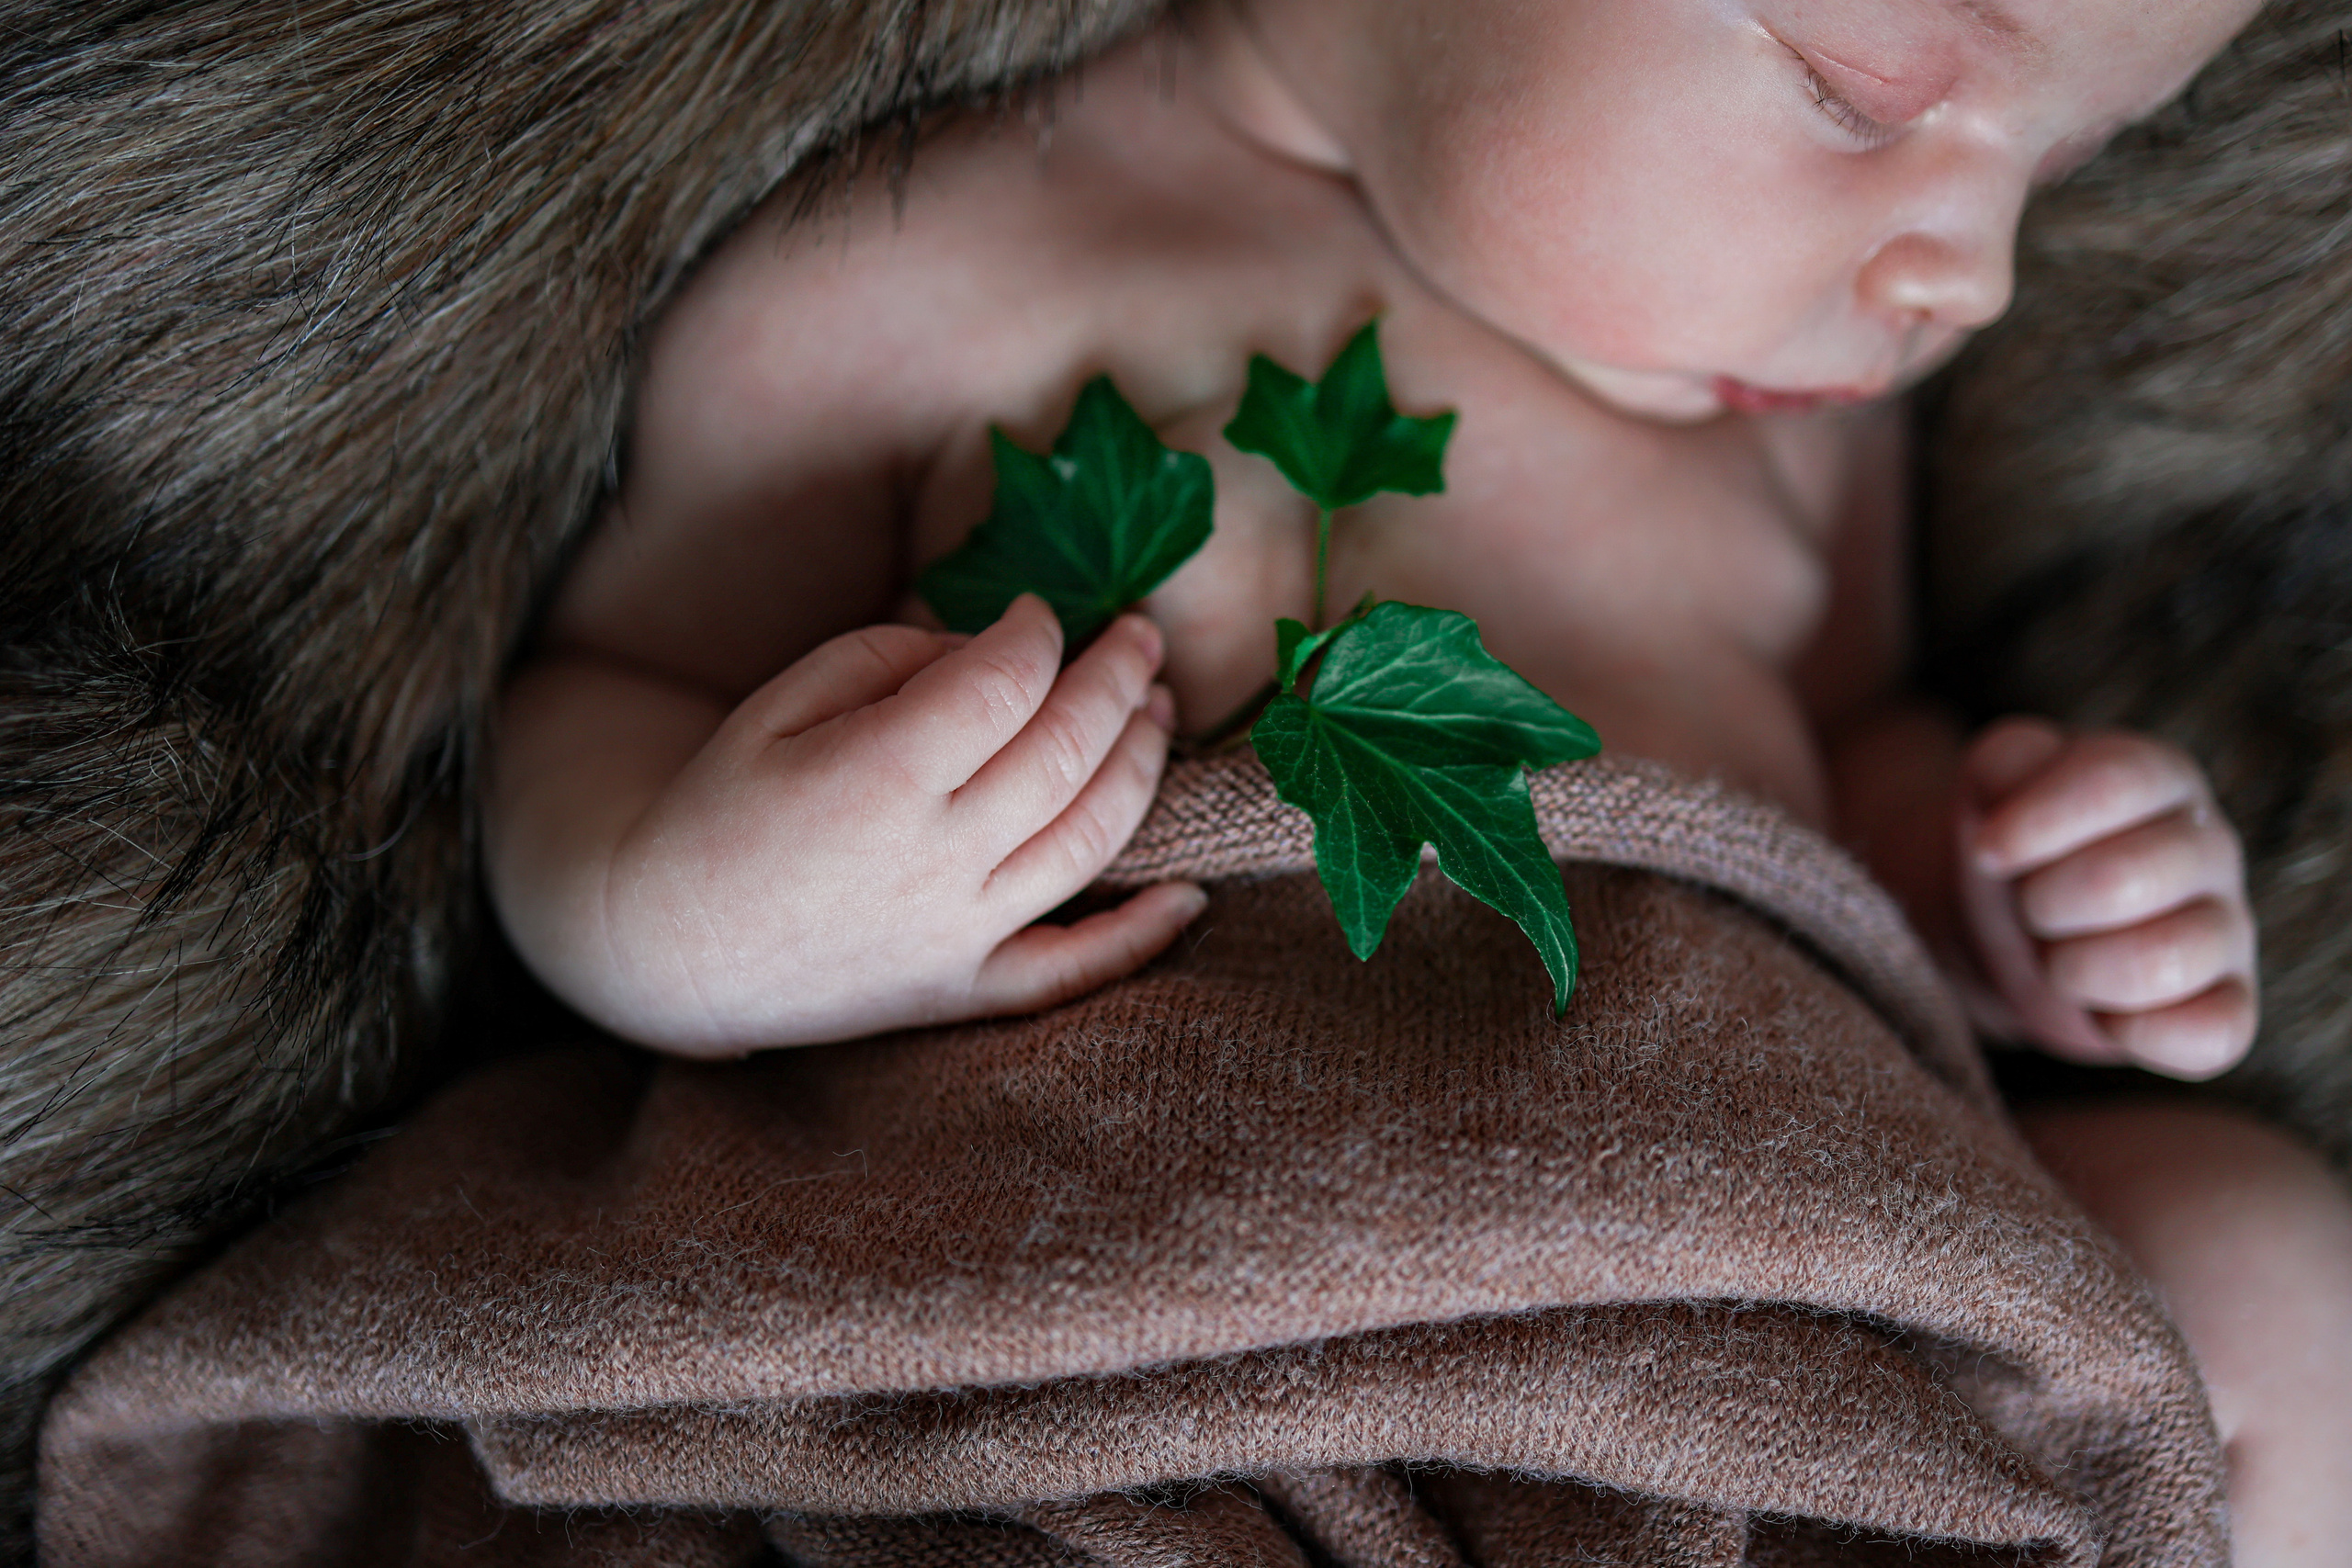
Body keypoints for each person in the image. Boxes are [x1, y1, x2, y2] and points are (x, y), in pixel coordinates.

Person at [483, 0, 2352, 1558]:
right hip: (1133, 1310)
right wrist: (713, 921)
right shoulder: (921, 267)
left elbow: (1827, 806)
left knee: (2259, 1265)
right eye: (1856, 92)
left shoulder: (1802, 436)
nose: (1971, 276)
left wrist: (2001, 889)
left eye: (2068, 159)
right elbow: (611, 706)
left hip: (1753, 1297)